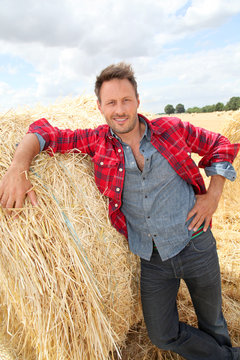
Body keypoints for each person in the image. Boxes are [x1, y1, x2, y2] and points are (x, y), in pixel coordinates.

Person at [0, 62, 239, 360]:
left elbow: (221, 143)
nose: (120, 109)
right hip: (153, 261)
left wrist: (213, 195)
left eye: (126, 100)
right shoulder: (96, 141)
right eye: (111, 102)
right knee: (162, 335)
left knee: (213, 323)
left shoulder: (171, 130)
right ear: (100, 107)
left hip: (196, 245)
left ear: (138, 101)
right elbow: (43, 132)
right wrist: (18, 166)